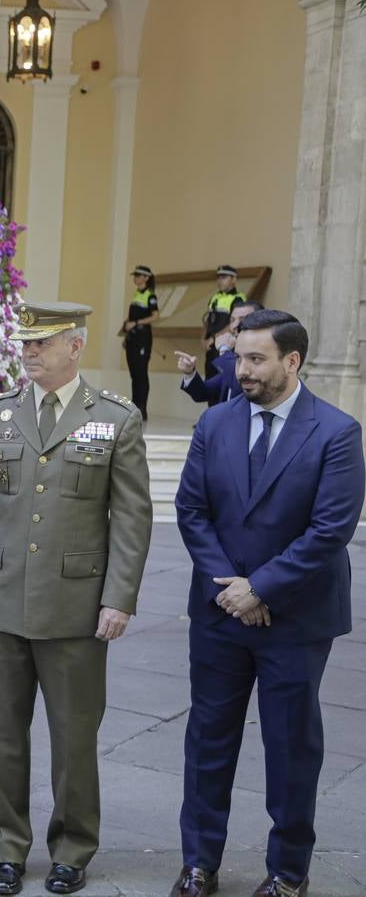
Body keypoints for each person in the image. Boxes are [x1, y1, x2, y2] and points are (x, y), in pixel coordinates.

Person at [0, 302, 152, 897]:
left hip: (76, 608)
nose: (30, 352)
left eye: (44, 343)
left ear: (76, 346)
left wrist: (118, 599)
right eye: (27, 343)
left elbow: (132, 519)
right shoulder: (1, 414)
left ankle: (72, 849)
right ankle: (7, 849)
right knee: (2, 735)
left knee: (74, 738)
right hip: (5, 602)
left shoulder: (115, 419)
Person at [170, 310, 364, 897]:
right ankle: (199, 862)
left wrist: (262, 588)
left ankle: (288, 871)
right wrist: (233, 585)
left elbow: (329, 531)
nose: (240, 368)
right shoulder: (216, 424)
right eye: (237, 356)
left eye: (255, 358)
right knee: (209, 738)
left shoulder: (336, 432)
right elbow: (192, 511)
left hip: (296, 620)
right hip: (219, 612)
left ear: (292, 361)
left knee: (290, 746)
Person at [176, 301, 261, 406]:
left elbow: (238, 384)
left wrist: (224, 349)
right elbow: (202, 393)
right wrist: (190, 373)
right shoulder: (233, 356)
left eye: (242, 319)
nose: (235, 325)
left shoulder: (261, 357)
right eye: (232, 320)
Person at [199, 264, 245, 403]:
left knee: (224, 383)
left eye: (224, 277)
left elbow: (233, 324)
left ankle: (221, 419)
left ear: (233, 279)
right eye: (218, 277)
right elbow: (208, 321)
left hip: (226, 346)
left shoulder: (238, 299)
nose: (220, 280)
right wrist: (203, 338)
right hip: (211, 347)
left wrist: (213, 338)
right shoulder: (215, 298)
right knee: (210, 382)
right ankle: (210, 417)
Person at [121, 264, 159, 420]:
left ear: (146, 278)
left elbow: (155, 316)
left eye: (138, 275)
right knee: (134, 373)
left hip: (143, 338)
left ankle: (142, 408)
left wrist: (136, 323)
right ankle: (135, 405)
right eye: (135, 275)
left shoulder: (150, 295)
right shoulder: (137, 294)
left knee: (141, 373)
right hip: (133, 338)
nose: (135, 278)